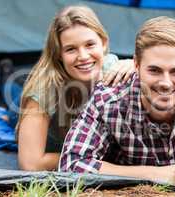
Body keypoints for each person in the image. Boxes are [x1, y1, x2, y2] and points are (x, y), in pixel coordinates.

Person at [59, 16, 175, 191]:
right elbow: (72, 163)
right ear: (136, 65)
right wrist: (159, 174)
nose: (165, 83)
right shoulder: (108, 101)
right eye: (155, 70)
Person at [16, 5, 134, 171]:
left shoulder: (115, 69)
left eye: (90, 45)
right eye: (71, 49)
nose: (83, 56)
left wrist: (135, 65)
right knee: (9, 112)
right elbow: (31, 163)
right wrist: (82, 159)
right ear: (59, 54)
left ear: (104, 44)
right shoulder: (44, 89)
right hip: (54, 142)